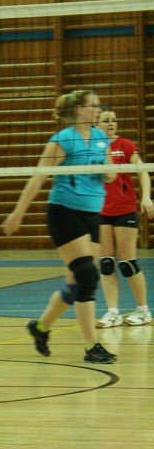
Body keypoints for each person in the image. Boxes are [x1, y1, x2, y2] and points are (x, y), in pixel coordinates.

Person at [1, 89, 117, 363]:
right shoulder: (63, 140)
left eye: (98, 106)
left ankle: (40, 328)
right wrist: (18, 212)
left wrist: (107, 171)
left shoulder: (101, 138)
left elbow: (110, 174)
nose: (98, 110)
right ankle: (92, 347)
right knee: (87, 277)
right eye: (93, 106)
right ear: (78, 110)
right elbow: (39, 177)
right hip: (65, 213)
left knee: (75, 285)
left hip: (92, 214)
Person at [95, 106, 153, 327]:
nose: (111, 123)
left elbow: (143, 171)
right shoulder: (92, 148)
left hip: (125, 209)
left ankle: (143, 310)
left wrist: (146, 197)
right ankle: (113, 312)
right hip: (100, 210)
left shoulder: (125, 145)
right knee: (106, 263)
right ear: (96, 124)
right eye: (106, 120)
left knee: (127, 263)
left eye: (113, 120)